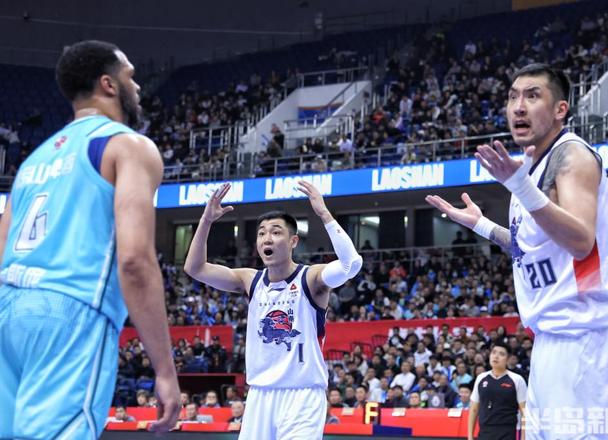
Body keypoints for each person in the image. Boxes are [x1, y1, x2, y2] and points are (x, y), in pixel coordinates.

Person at [426, 63, 608, 439]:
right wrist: (481, 225)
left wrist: (519, 186)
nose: (518, 106)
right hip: (552, 336)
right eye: (512, 97)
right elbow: (531, 245)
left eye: (532, 96)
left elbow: (581, 241)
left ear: (560, 109)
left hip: (590, 333)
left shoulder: (572, 156)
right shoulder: (528, 169)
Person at [0, 40, 180, 439]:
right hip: (71, 309)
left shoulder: (32, 162)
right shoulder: (127, 146)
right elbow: (134, 260)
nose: (138, 87)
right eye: (131, 76)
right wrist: (165, 371)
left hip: (7, 313)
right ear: (108, 84)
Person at [184, 180, 362, 440]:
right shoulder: (250, 279)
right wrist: (206, 221)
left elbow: (350, 265)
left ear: (293, 241)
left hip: (302, 395)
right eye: (261, 233)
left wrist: (324, 214)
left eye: (276, 232)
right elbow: (195, 268)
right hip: (259, 395)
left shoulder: (311, 278)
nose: (267, 238)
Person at [467, 343, 527, 440]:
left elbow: (525, 412)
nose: (496, 356)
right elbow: (474, 409)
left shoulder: (517, 380)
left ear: (507, 359)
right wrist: (470, 437)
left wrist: (523, 437)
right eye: (494, 352)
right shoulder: (481, 378)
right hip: (484, 433)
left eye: (501, 354)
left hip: (507, 433)